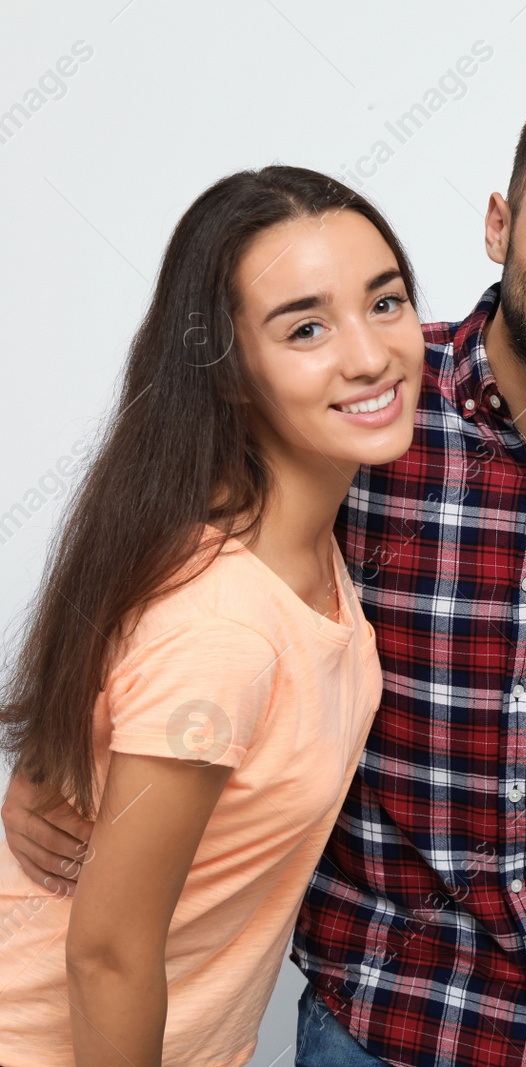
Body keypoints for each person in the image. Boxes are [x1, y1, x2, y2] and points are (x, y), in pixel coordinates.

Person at [2, 82, 526, 1067]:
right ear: (499, 224)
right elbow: (162, 542)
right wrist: (60, 753)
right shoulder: (367, 408)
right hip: (386, 1011)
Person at [0, 165, 424, 1066]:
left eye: (384, 303)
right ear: (229, 372)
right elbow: (109, 954)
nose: (369, 354)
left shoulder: (286, 543)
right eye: (307, 327)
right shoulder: (224, 626)